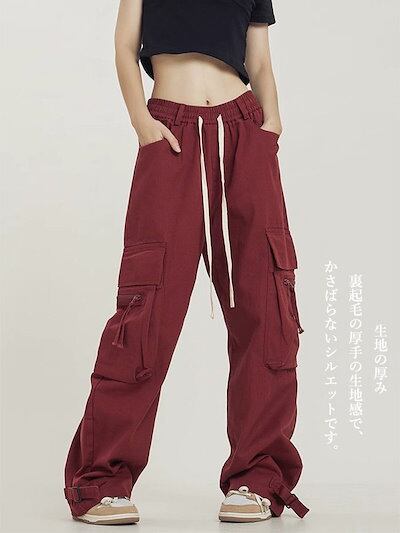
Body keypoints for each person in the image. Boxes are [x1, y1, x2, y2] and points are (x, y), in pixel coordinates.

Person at [64, 0, 309, 525]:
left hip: (244, 131)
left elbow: (259, 62)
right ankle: (103, 479)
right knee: (146, 309)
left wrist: (270, 126)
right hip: (170, 133)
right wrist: (143, 123)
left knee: (266, 306)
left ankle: (258, 477)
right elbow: (125, 47)